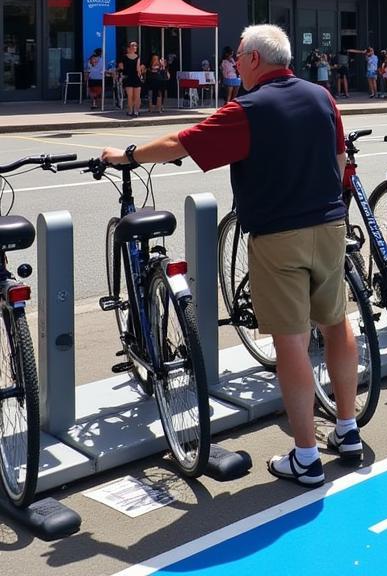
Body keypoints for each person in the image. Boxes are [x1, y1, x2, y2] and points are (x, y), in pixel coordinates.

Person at [99, 24, 361, 487]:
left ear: (255, 60)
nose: (235, 62)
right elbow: (339, 160)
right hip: (331, 224)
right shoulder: (321, 97)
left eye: (239, 56)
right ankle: (347, 429)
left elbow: (182, 142)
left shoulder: (248, 108)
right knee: (336, 322)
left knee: (291, 340)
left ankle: (305, 456)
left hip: (280, 235)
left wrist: (128, 154)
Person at [118, 40, 143, 118]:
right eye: (132, 46)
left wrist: (140, 75)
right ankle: (130, 110)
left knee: (137, 96)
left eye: (135, 46)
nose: (134, 47)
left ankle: (136, 111)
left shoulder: (138, 57)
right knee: (130, 96)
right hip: (128, 77)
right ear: (129, 48)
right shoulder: (124, 57)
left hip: (136, 77)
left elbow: (138, 68)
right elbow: (120, 66)